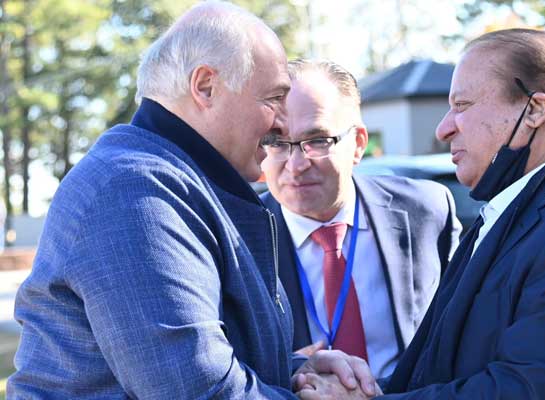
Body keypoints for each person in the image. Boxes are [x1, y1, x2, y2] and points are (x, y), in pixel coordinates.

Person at [8, 2, 376, 399]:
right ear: (205, 87)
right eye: (273, 98)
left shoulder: (180, 185)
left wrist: (297, 371)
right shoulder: (133, 193)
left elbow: (203, 355)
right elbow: (194, 389)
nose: (282, 124)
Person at [295, 28, 545, 400]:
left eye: (463, 105)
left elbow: (525, 390)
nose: (444, 129)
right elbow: (435, 372)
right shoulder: (517, 212)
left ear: (534, 110)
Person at [260, 60, 462, 379]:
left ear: (358, 144)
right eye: (277, 142)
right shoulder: (233, 238)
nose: (296, 164)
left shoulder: (426, 211)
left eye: (317, 141)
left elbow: (460, 337)